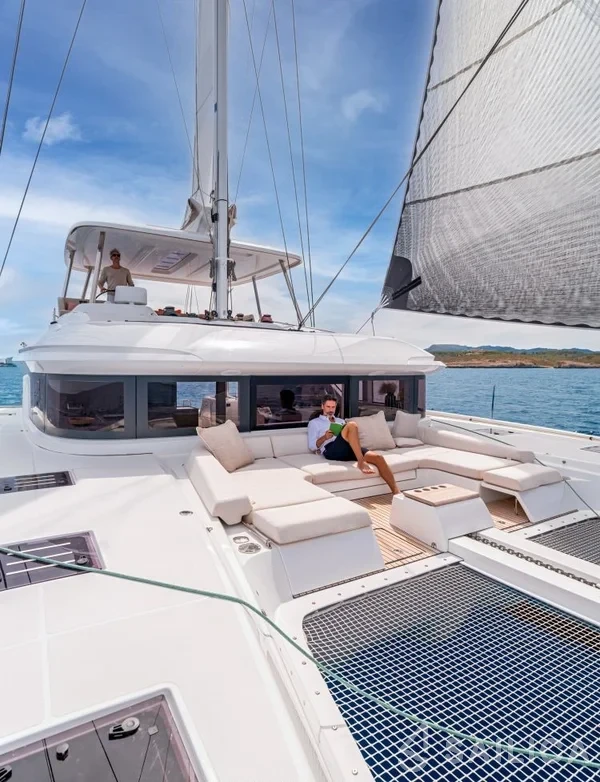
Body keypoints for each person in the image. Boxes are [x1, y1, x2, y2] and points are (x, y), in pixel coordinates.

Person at [307, 394, 399, 495]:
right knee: (352, 425)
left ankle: (397, 492)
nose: (331, 410)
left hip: (347, 447)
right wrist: (324, 437)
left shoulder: (340, 421)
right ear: (322, 406)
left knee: (379, 458)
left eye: (333, 407)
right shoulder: (314, 423)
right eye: (328, 407)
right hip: (331, 450)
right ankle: (361, 461)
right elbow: (312, 446)